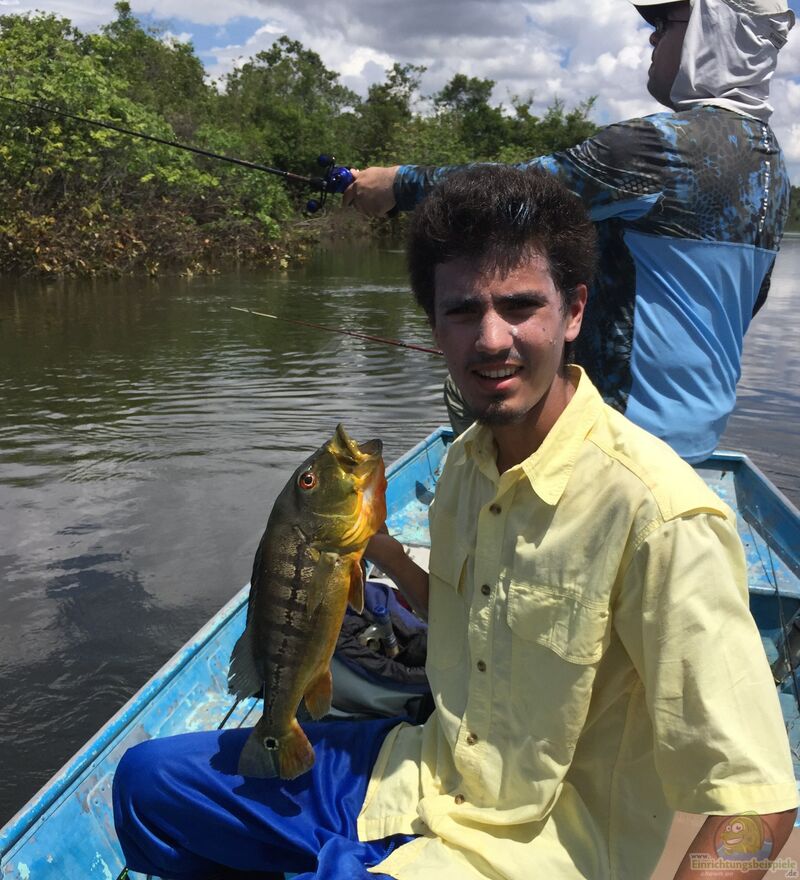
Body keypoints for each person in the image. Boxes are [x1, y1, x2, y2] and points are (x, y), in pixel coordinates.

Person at [113, 166, 798, 880]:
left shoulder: (661, 515)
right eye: (464, 311)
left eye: (521, 305)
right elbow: (465, 614)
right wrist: (371, 545)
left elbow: (758, 806)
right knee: (147, 785)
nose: (491, 339)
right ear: (434, 326)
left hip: (536, 846)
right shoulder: (468, 463)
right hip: (421, 774)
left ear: (573, 313)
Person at [343, 0, 796, 464]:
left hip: (618, 440)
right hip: (698, 437)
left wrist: (395, 185)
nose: (652, 37)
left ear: (718, 32)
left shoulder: (658, 148)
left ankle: (491, 504)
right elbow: (753, 299)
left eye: (664, 22)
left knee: (471, 385)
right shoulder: (770, 172)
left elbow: (508, 194)